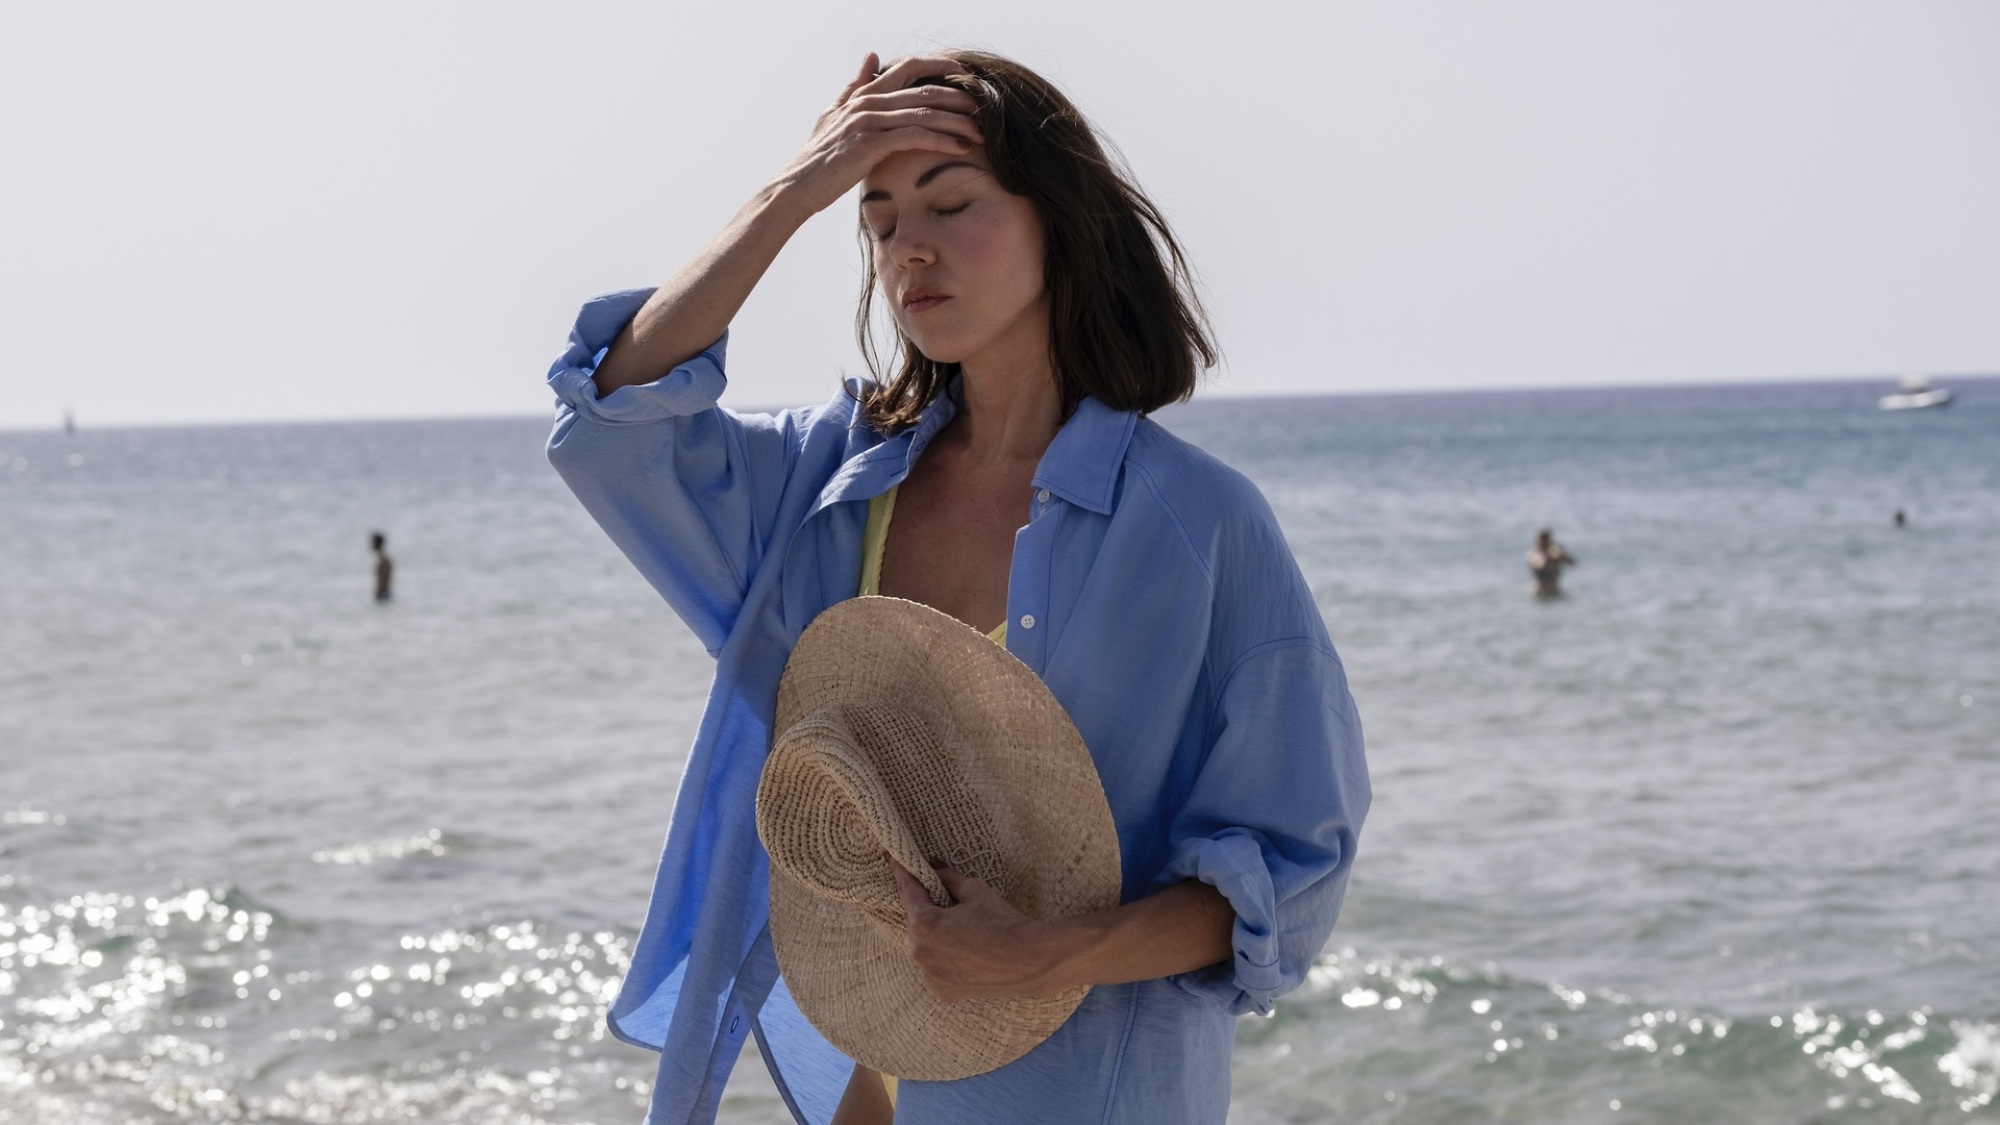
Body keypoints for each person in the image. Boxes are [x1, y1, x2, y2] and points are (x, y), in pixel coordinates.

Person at [545, 50, 1368, 1125]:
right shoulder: (826, 486)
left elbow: (1289, 867)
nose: (908, 250)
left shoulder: (1195, 524)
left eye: (950, 204)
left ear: (1055, 223)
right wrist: (798, 187)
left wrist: (1046, 952)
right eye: (878, 219)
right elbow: (609, 421)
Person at [1527, 526, 1575, 598]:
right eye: (1543, 540)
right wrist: (1548, 555)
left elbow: (1572, 563)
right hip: (1539, 589)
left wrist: (1562, 554)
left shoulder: (1556, 553)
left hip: (1554, 588)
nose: (1545, 543)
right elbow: (1541, 566)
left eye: (1547, 540)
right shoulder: (1534, 554)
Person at [371, 531, 393, 602]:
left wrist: (381, 591)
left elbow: (385, 578)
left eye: (373, 542)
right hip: (383, 591)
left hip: (383, 592)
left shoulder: (383, 560)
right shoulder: (383, 559)